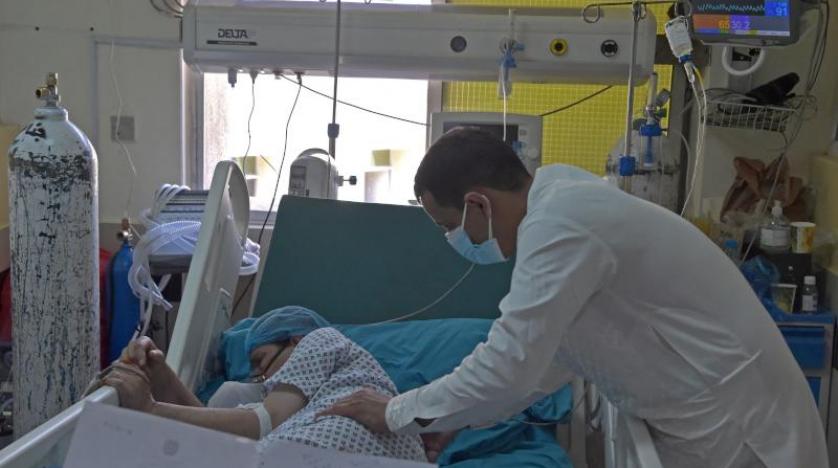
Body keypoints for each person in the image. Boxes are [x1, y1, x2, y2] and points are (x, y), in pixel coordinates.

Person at [321, 128, 829, 467]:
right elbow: (552, 356)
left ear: (478, 203)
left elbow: (510, 362)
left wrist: (396, 411)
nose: (454, 240)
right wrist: (458, 416)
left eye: (449, 226)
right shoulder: (562, 206)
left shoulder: (561, 225)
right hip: (708, 415)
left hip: (743, 429)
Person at [103, 306, 427, 462]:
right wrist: (162, 375)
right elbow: (220, 435)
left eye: (262, 360)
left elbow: (263, 422)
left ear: (295, 340)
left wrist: (148, 409)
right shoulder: (304, 402)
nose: (264, 377)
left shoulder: (320, 341)